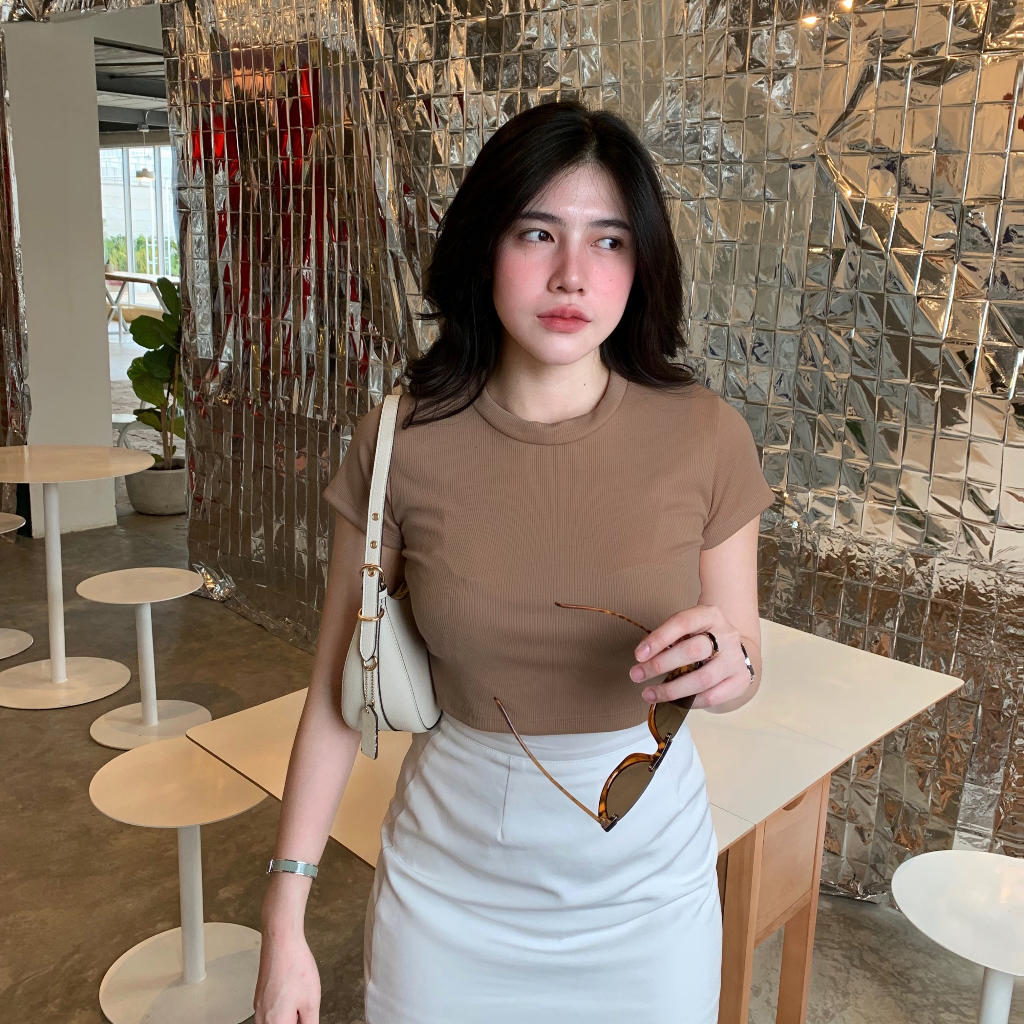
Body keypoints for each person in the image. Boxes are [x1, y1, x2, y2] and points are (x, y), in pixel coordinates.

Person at [254, 99, 776, 1024]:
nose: (572, 273)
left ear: (641, 264)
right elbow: (338, 691)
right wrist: (284, 917)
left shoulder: (706, 435)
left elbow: (741, 658)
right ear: (485, 247)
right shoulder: (399, 441)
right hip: (449, 894)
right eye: (538, 233)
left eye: (608, 241)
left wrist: (729, 666)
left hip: (648, 897)